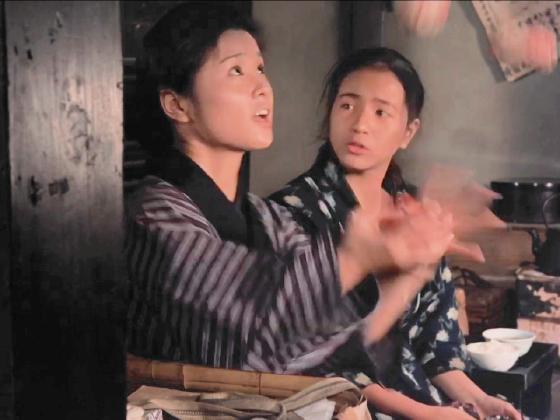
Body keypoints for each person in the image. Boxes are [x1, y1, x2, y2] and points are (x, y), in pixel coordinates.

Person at [124, 2, 455, 377]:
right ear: (177, 104)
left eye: (260, 69)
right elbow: (242, 333)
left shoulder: (269, 219)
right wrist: (355, 259)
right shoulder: (154, 214)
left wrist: (409, 272)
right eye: (236, 70)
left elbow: (338, 353)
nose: (262, 88)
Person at [269, 47, 521, 420]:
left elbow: (435, 337)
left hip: (426, 399)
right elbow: (314, 359)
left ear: (408, 132)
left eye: (380, 112)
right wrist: (424, 414)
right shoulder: (291, 212)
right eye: (347, 105)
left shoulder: (413, 210)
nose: (360, 124)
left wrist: (478, 400)